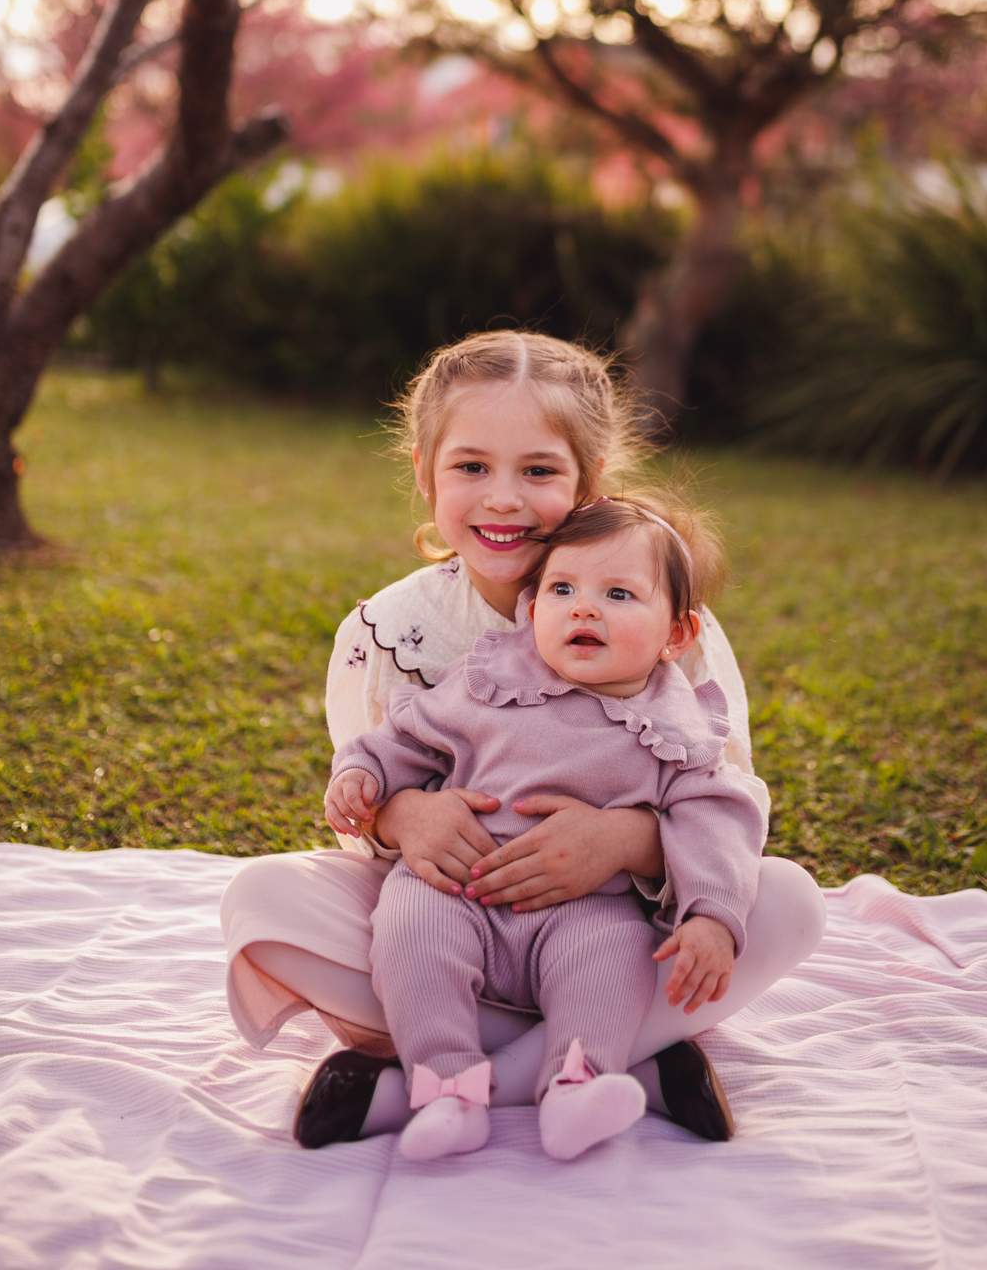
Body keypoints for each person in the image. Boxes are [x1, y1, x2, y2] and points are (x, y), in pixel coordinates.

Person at [219, 331, 826, 1147]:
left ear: (588, 483)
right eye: (471, 467)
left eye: (538, 471)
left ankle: (445, 1088)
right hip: (446, 921)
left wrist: (627, 840)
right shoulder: (385, 633)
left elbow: (726, 798)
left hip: (606, 929)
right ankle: (625, 1068)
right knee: (260, 899)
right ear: (424, 474)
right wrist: (401, 817)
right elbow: (363, 788)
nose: (502, 499)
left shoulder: (670, 624)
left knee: (786, 901)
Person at [326, 494, 766, 1162]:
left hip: (585, 910)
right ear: (532, 612)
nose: (584, 607)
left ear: (676, 636)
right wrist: (364, 776)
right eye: (563, 589)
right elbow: (405, 738)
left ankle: (575, 1085)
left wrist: (711, 915)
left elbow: (719, 820)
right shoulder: (488, 680)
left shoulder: (674, 727)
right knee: (408, 931)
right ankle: (446, 1088)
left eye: (619, 594)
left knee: (617, 962)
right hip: (457, 889)